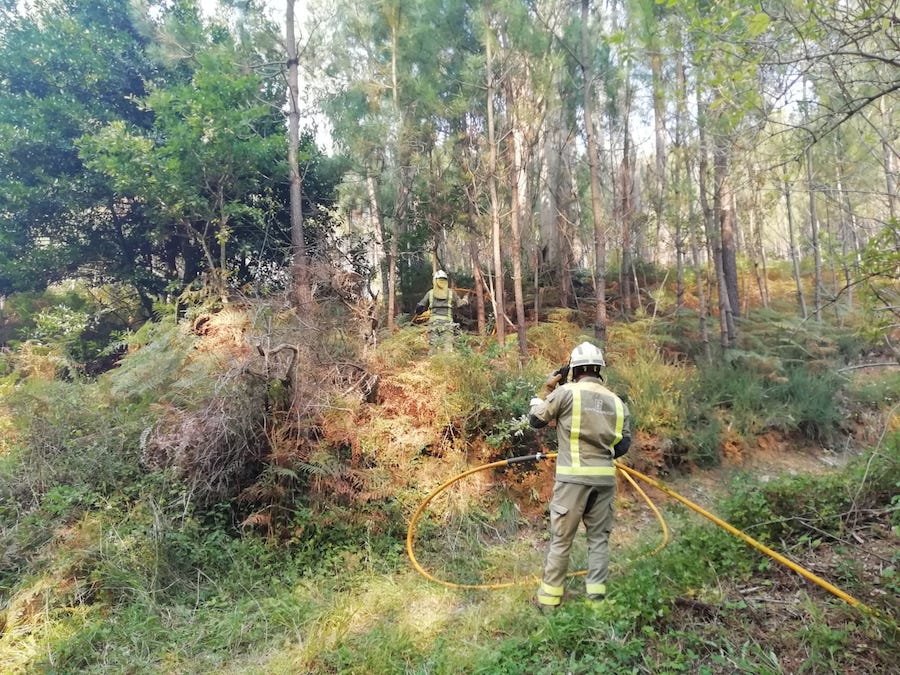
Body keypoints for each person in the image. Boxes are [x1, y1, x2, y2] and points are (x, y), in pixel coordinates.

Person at [528, 341, 632, 611]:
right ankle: (596, 602)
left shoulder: (566, 393)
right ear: (600, 370)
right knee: (598, 541)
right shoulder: (617, 403)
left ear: (572, 370)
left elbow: (536, 420)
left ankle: (549, 602)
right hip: (605, 481)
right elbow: (621, 446)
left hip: (572, 481)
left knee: (562, 541)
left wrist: (547, 388)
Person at [414, 270, 466, 350]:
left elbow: (420, 308)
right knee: (448, 348)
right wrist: (466, 299)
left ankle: (434, 361)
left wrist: (419, 311)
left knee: (433, 348)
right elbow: (460, 304)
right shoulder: (452, 293)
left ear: (435, 281)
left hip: (433, 324)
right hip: (447, 324)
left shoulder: (430, 293)